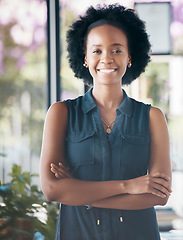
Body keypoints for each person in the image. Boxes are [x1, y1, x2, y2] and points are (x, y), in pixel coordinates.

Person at [39, 4, 172, 239]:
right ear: (85, 57)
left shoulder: (153, 117)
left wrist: (83, 196)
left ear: (130, 56)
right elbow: (51, 189)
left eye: (117, 50)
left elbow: (159, 195)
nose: (107, 59)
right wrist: (128, 186)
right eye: (97, 50)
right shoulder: (61, 113)